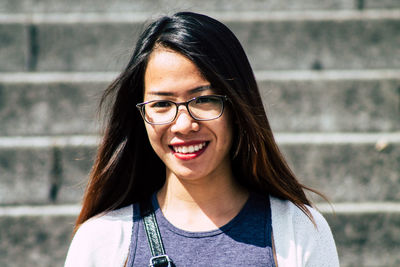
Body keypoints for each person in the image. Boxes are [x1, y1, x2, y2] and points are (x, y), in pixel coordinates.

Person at [64, 12, 339, 267]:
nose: (184, 125)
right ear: (141, 114)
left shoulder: (298, 230)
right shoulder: (100, 241)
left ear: (237, 107)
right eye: (161, 104)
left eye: (205, 100)